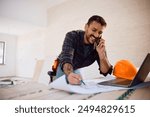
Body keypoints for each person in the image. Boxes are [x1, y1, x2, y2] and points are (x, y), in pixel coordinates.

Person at [56, 15, 113, 85]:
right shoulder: (72, 36)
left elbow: (105, 72)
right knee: (60, 88)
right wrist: (70, 74)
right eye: (94, 30)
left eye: (100, 33)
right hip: (64, 67)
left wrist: (102, 56)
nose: (96, 35)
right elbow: (66, 58)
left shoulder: (99, 45)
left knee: (80, 86)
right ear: (86, 27)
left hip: (76, 67)